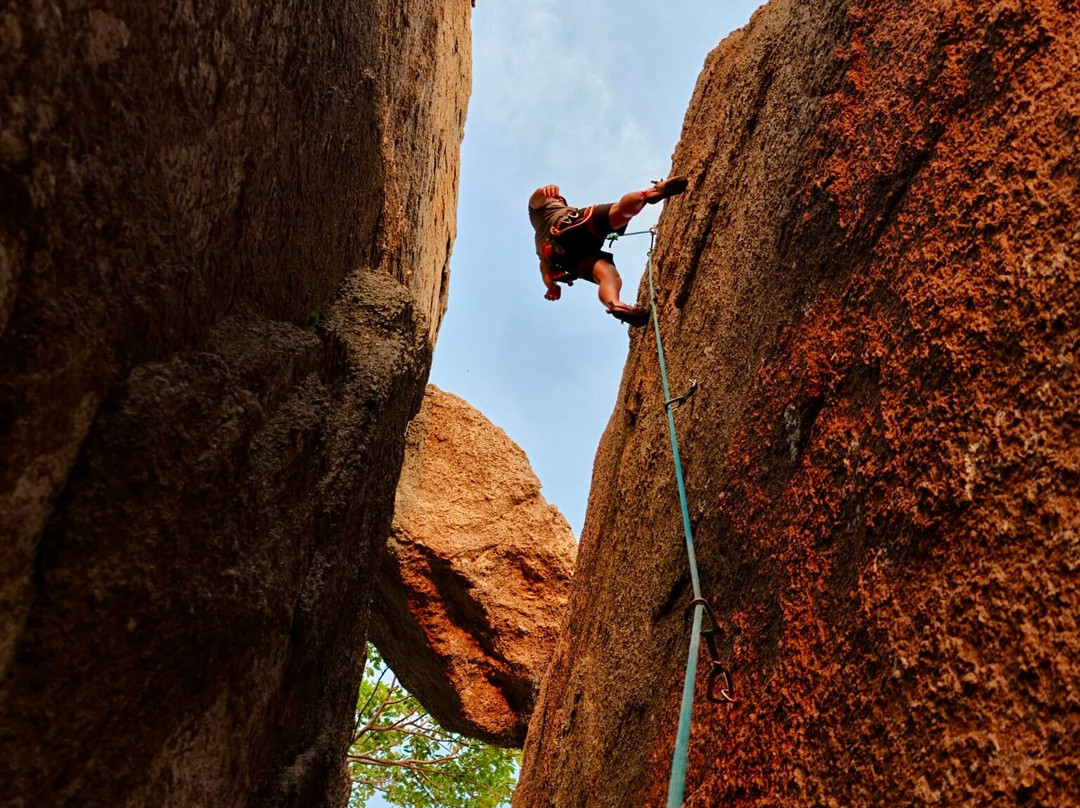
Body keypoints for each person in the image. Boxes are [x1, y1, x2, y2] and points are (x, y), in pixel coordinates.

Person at [527, 177, 688, 326]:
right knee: (619, 212)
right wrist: (545, 191)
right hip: (566, 227)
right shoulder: (540, 213)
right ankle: (648, 194)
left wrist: (551, 287)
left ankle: (615, 304)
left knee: (607, 275)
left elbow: (544, 270)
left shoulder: (540, 249)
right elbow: (535, 200)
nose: (559, 200)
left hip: (564, 258)